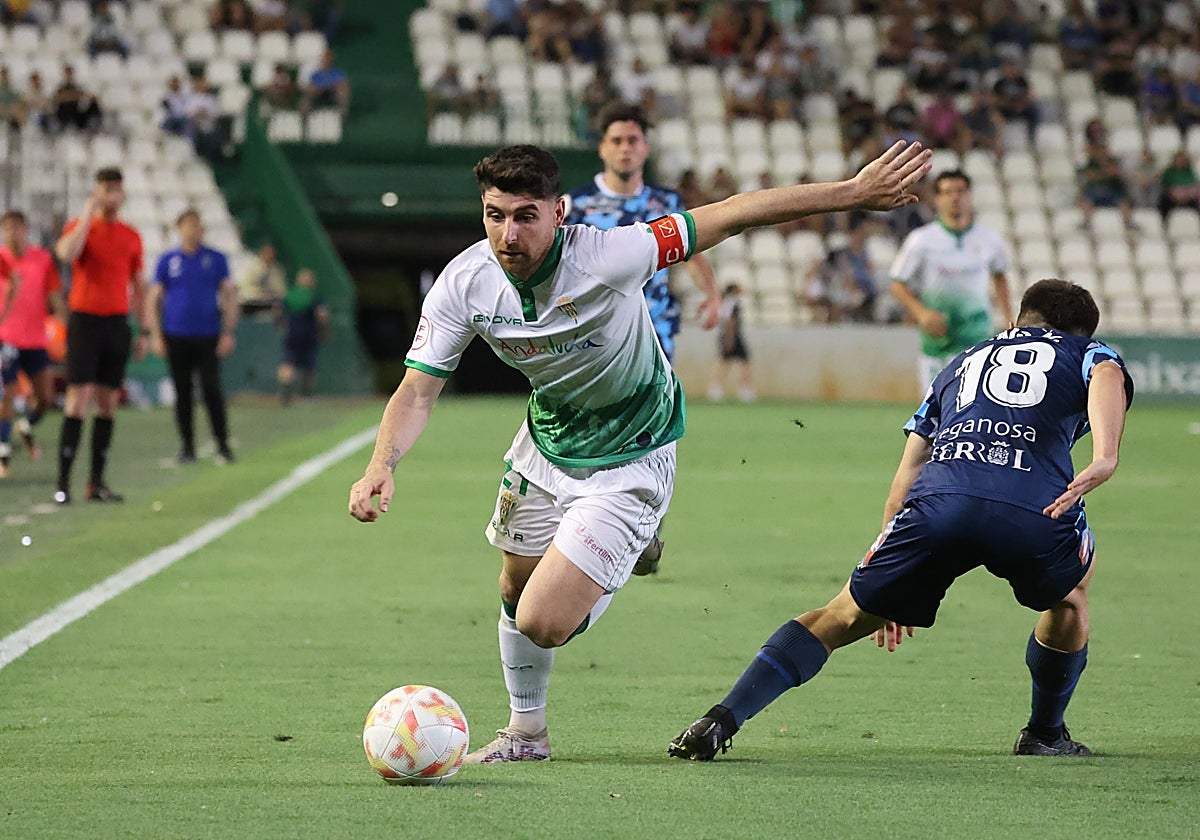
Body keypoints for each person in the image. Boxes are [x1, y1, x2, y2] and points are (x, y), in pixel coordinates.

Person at [347, 140, 932, 764]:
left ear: (560, 211)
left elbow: (735, 212)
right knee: (515, 597)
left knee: (545, 622)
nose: (508, 234)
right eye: (495, 215)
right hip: (545, 446)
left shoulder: (612, 254)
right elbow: (417, 390)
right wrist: (381, 463)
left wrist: (850, 193)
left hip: (633, 453)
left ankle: (630, 546)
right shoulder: (465, 284)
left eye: (525, 216)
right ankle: (526, 736)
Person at [669, 279, 1133, 761]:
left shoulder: (962, 362)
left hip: (938, 503)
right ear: (1082, 334)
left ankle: (722, 718)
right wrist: (1106, 456)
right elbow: (1106, 375)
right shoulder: (1088, 352)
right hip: (1031, 508)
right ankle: (1044, 733)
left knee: (841, 614)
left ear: (1016, 321)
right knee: (1070, 600)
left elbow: (906, 474)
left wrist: (893, 579)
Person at [565, 104, 722, 576]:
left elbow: (692, 250)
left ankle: (645, 521)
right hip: (592, 338)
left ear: (645, 149)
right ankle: (586, 513)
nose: (625, 148)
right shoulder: (578, 205)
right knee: (589, 418)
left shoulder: (665, 203)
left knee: (652, 427)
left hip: (654, 331)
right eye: (617, 140)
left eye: (633, 140)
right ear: (602, 148)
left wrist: (711, 295)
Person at [53, 167, 148, 504]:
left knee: (108, 402)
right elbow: (66, 254)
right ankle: (63, 482)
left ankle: (96, 482)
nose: (113, 195)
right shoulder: (82, 228)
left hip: (116, 323)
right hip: (85, 321)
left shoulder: (130, 235)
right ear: (96, 191)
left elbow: (139, 285)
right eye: (107, 188)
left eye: (117, 189)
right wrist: (87, 213)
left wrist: (144, 329)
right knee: (78, 397)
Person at [890, 169, 1013, 389]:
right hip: (938, 342)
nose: (955, 197)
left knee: (975, 409)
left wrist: (1008, 318)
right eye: (948, 192)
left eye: (961, 191)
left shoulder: (990, 239)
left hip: (978, 339)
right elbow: (898, 285)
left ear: (970, 196)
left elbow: (1000, 276)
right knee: (934, 411)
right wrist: (922, 313)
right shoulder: (921, 240)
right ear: (937, 199)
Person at [146, 209, 238, 464]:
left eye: (196, 225)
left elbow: (230, 294)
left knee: (212, 389)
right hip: (176, 335)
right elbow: (154, 298)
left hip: (208, 334)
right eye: (188, 225)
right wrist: (155, 334)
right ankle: (187, 447)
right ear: (179, 229)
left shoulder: (216, 259)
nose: (193, 230)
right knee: (182, 391)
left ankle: (223, 444)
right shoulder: (168, 261)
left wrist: (228, 331)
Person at [0, 210, 67, 476]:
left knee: (45, 398)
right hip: (6, 338)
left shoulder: (41, 259)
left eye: (16, 228)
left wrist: (63, 322)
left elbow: (54, 294)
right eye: (7, 229)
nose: (12, 233)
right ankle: (3, 452)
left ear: (25, 229)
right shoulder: (2, 259)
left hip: (36, 338)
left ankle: (26, 425)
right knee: (8, 393)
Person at [277, 268, 328, 405]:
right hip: (309, 335)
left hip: (291, 335)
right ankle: (307, 395)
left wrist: (282, 326)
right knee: (309, 367)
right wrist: (324, 331)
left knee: (288, 362)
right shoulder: (314, 297)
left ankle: (285, 392)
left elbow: (277, 312)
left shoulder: (289, 295)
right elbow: (322, 315)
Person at [708, 283, 753, 403]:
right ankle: (744, 390)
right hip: (732, 336)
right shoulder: (733, 303)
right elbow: (731, 322)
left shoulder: (725, 302)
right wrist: (730, 339)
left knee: (724, 363)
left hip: (726, 335)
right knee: (745, 363)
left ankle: (716, 388)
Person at [236, 243, 287, 315]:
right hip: (251, 303)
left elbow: (281, 290)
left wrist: (272, 294)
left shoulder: (277, 270)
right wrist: (259, 293)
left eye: (271, 254)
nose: (269, 256)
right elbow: (244, 286)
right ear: (262, 254)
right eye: (267, 253)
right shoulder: (252, 267)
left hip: (270, 304)